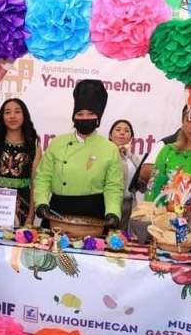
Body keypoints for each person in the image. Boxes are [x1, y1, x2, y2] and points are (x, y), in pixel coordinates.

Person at [33, 79, 123, 228]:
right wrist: (41, 202)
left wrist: (113, 212)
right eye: (80, 114)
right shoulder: (57, 143)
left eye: (90, 114)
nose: (85, 118)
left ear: (98, 118)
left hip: (94, 213)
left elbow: (113, 187)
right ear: (74, 116)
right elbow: (43, 177)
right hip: (57, 211)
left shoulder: (109, 148)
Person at [0, 98, 41, 226]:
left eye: (17, 112)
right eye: (7, 112)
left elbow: (35, 183)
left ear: (24, 115)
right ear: (1, 117)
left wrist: (31, 217)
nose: (12, 116)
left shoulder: (34, 143)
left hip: (22, 208)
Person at [108, 119, 141, 231]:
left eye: (127, 131)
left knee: (125, 239)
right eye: (118, 130)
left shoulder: (134, 158)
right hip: (109, 204)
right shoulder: (106, 155)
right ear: (110, 135)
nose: (122, 133)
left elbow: (141, 186)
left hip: (130, 204)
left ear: (131, 137)